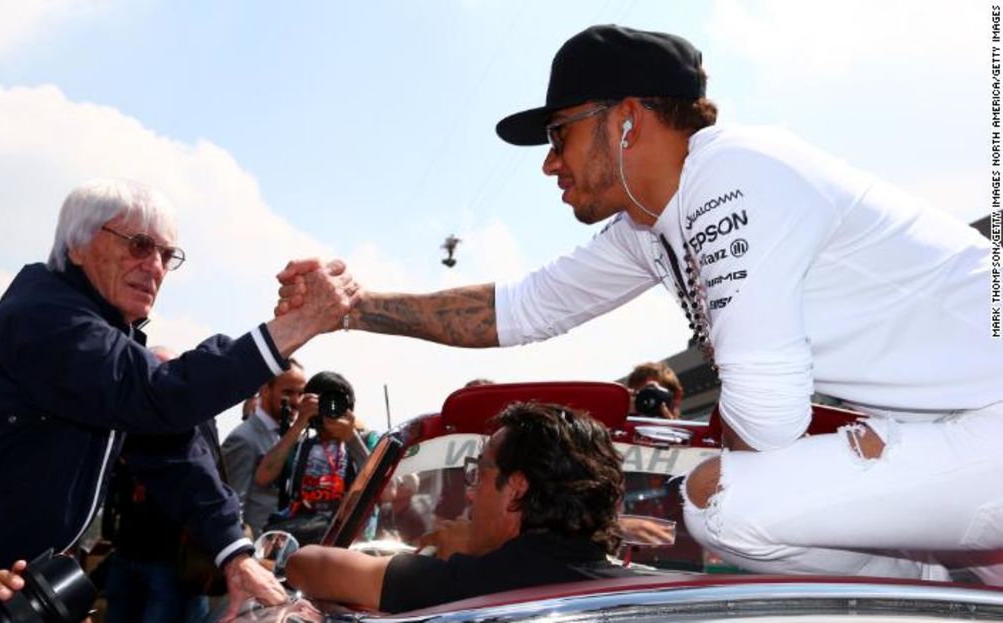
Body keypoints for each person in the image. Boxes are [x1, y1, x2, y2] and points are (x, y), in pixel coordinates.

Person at [278, 25, 1003, 582]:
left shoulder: (732, 175)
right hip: (962, 430)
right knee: (724, 500)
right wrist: (351, 306)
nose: (550, 161)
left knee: (723, 501)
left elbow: (769, 421)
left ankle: (938, 591)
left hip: (988, 421)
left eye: (560, 132)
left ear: (627, 120)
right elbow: (520, 309)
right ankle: (939, 586)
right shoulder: (652, 228)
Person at [0, 178, 357, 619]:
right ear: (77, 246)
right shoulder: (45, 317)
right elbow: (164, 396)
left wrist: (235, 554)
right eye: (139, 245)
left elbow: (172, 450)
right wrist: (298, 326)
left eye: (167, 254)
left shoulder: (106, 342)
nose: (155, 266)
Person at [285, 402, 625, 612]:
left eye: (480, 474)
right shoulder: (645, 585)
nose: (471, 494)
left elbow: (307, 565)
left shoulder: (470, 581)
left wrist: (461, 555)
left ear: (516, 489)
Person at [99, 346, 214, 623]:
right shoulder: (128, 412)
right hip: (127, 552)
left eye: (163, 372)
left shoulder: (197, 418)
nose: (155, 381)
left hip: (171, 561)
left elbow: (201, 481)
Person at [257, 371, 364, 545]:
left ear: (348, 406)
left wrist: (352, 438)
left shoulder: (366, 441)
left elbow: (387, 489)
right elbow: (262, 477)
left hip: (351, 542)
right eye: (324, 402)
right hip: (300, 542)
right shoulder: (299, 446)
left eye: (336, 401)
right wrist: (299, 423)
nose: (331, 407)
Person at [221, 359, 308, 536]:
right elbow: (232, 505)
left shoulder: (290, 436)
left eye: (300, 394)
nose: (296, 401)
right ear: (265, 389)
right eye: (288, 392)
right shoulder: (243, 438)